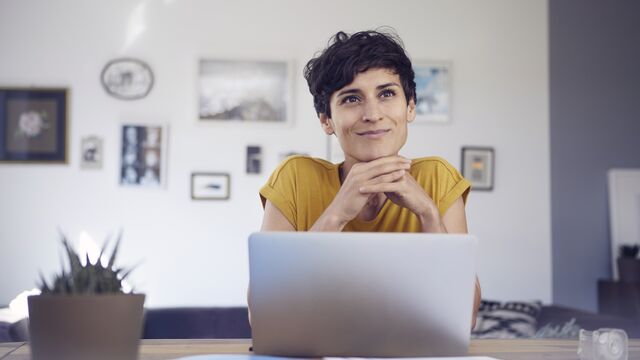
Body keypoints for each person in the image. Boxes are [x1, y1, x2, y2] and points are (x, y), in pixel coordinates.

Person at [258, 29, 481, 327]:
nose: (372, 114)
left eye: (387, 94)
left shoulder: (437, 178)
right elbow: (263, 313)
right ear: (326, 120)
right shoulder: (295, 178)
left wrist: (428, 213)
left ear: (410, 107)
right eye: (351, 99)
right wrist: (337, 214)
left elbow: (463, 318)